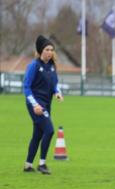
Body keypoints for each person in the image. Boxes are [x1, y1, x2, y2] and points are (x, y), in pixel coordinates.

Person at [23, 35, 64, 174]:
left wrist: (57, 92)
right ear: (41, 51)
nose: (50, 52)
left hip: (46, 104)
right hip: (36, 104)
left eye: (52, 49)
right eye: (47, 49)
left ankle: (28, 165)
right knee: (50, 130)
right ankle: (42, 164)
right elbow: (26, 87)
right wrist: (35, 105)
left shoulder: (52, 66)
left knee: (38, 135)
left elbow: (55, 84)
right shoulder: (34, 65)